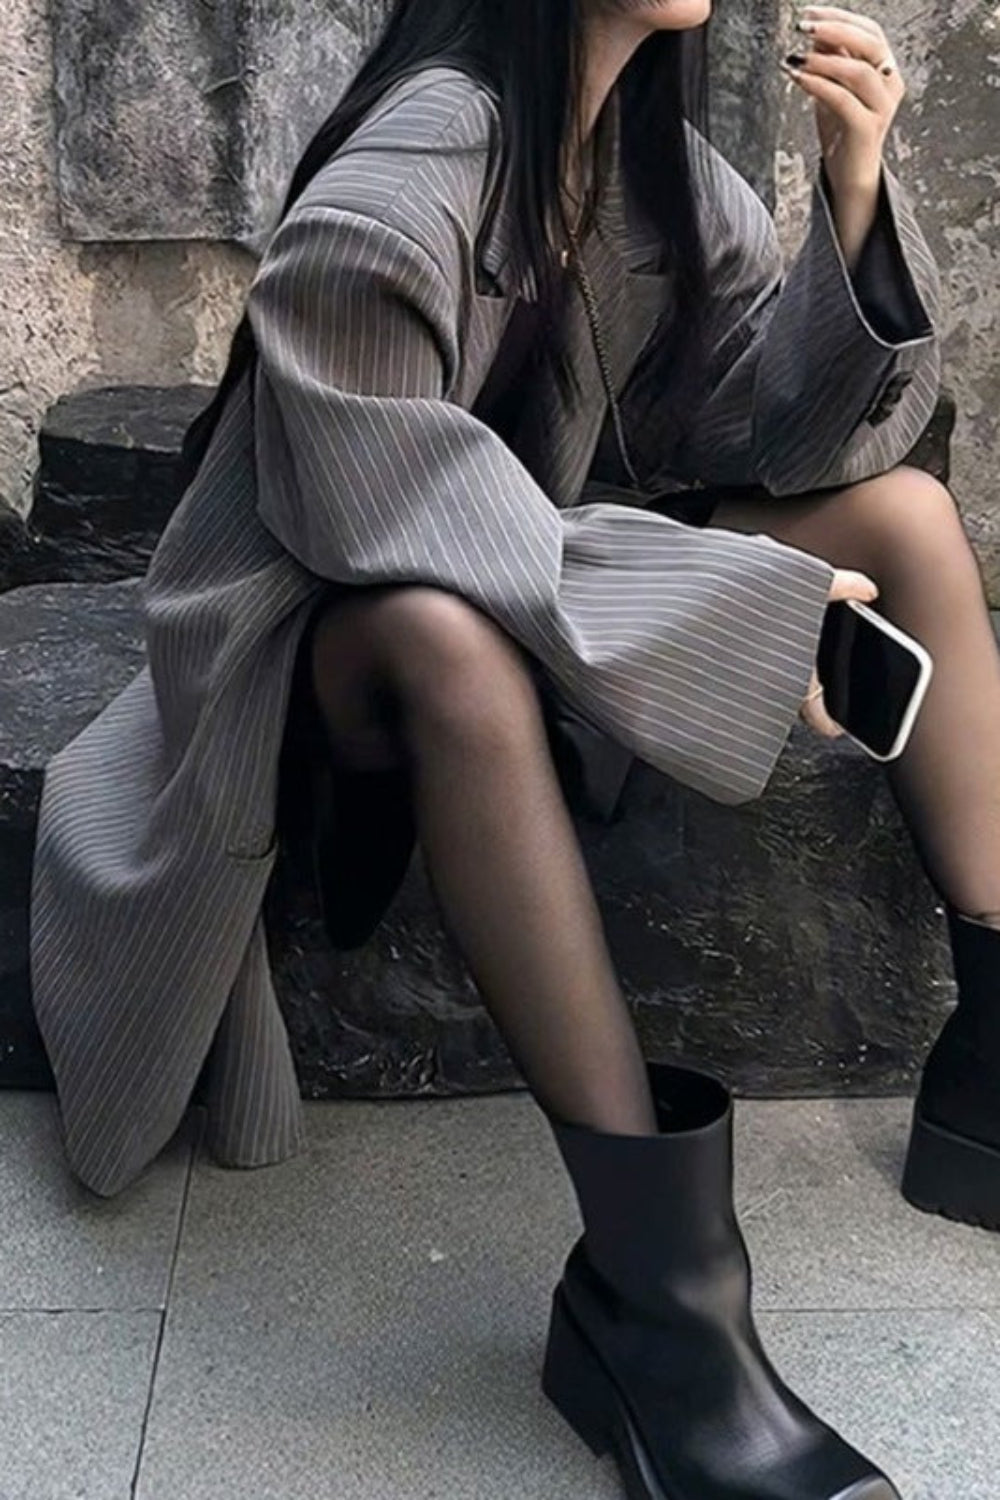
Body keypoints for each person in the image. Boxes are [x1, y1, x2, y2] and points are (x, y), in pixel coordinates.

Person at [27, 0, 995, 1493]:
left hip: (533, 583)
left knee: (909, 518)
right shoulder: (400, 178)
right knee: (448, 639)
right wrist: (736, 611)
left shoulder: (647, 167)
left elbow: (787, 444)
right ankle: (663, 1312)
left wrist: (852, 199)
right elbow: (387, 520)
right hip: (324, 653)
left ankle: (994, 1065)